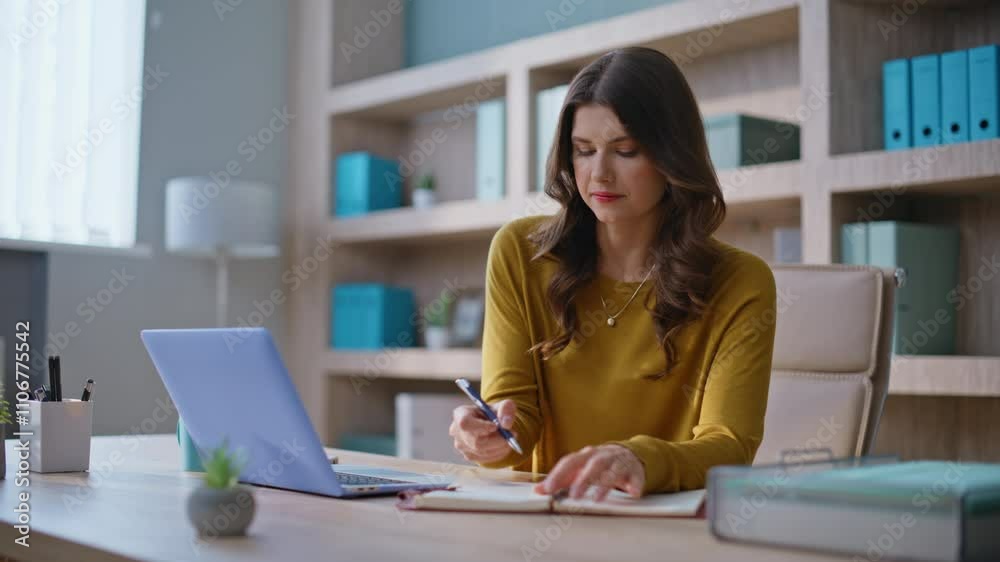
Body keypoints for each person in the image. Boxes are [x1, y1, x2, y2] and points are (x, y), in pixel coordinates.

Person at [449, 47, 777, 502]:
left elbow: (730, 445)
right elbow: (515, 421)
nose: (599, 174)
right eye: (583, 151)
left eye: (625, 151)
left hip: (667, 536)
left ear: (671, 157)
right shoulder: (520, 254)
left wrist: (638, 459)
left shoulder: (741, 282)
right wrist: (488, 436)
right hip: (548, 521)